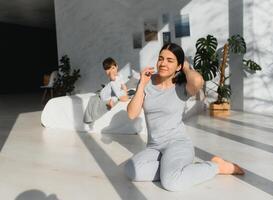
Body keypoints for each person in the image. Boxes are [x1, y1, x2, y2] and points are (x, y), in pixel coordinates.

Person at [124, 43, 244, 191]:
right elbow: (131, 113)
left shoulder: (181, 87)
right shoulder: (147, 83)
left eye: (170, 60)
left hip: (177, 144)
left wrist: (186, 66)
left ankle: (215, 166)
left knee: (171, 183)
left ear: (178, 66)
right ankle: (172, 169)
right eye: (161, 58)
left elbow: (198, 81)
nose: (163, 63)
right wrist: (141, 84)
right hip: (154, 147)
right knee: (131, 169)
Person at [83, 57, 128, 123]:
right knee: (115, 93)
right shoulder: (113, 83)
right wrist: (124, 93)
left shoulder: (119, 76)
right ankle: (112, 100)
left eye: (112, 68)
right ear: (106, 72)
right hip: (104, 95)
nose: (111, 71)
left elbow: (123, 86)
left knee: (117, 91)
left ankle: (112, 100)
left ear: (117, 67)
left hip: (108, 92)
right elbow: (122, 97)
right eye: (108, 70)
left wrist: (124, 90)